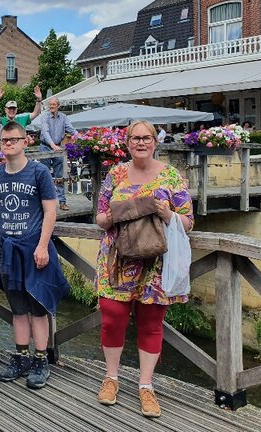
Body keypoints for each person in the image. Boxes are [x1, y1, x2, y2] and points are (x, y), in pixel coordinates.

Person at [94, 120, 194, 418]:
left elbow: (188, 222)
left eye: (146, 138)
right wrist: (114, 215)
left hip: (155, 263)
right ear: (127, 143)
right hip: (116, 260)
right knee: (112, 318)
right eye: (135, 138)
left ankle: (146, 386)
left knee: (151, 323)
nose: (141, 142)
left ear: (155, 141)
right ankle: (111, 378)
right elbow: (99, 218)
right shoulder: (116, 174)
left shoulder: (172, 176)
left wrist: (167, 213)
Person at [0, 122, 71, 390]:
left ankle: (41, 360)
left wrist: (43, 245)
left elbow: (50, 211)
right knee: (18, 308)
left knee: (38, 308)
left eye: (13, 140)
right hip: (9, 249)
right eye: (4, 140)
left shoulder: (38, 172)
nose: (8, 144)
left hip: (34, 248)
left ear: (26, 142)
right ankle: (21, 356)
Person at [38, 97, 77, 211]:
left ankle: (62, 202)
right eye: (50, 104)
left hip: (58, 147)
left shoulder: (63, 117)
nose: (51, 106)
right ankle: (45, 203)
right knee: (44, 175)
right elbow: (45, 132)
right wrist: (52, 145)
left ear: (58, 106)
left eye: (54, 104)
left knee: (60, 176)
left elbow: (71, 129)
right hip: (46, 146)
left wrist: (81, 137)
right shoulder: (45, 116)